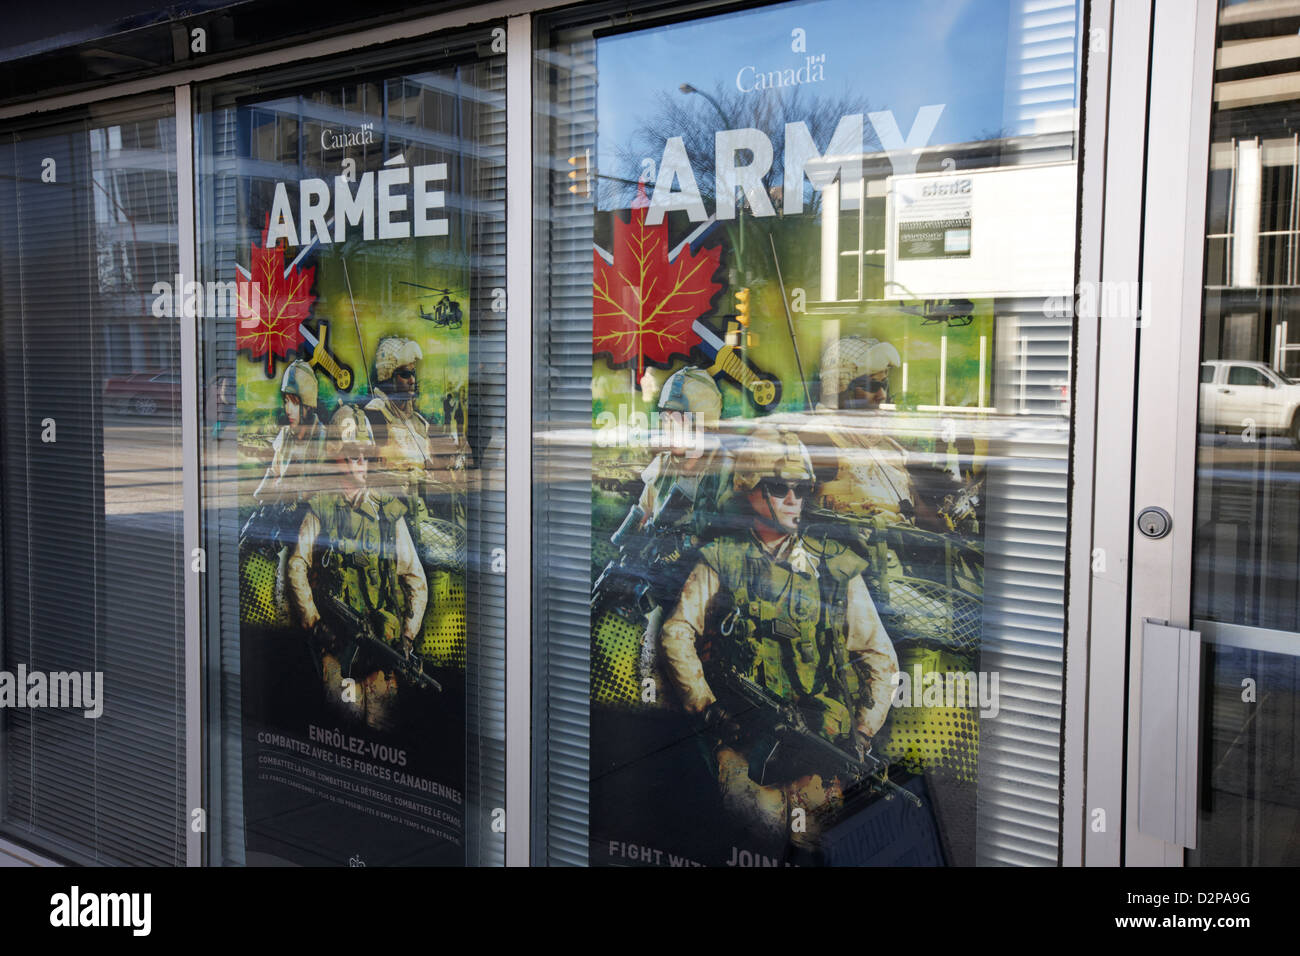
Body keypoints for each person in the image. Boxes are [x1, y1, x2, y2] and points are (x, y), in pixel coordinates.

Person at [657, 425, 898, 852]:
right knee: (757, 824)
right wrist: (708, 707)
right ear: (751, 489)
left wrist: (861, 733)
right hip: (745, 737)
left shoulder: (833, 567)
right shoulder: (723, 559)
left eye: (801, 488)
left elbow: (879, 657)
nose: (793, 500)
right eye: (779, 487)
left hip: (816, 739)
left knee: (809, 837)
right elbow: (677, 633)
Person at [286, 406, 428, 731]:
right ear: (338, 457)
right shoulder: (321, 507)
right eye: (352, 454)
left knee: (382, 727)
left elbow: (415, 579)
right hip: (336, 643)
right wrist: (314, 622)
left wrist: (407, 637)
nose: (360, 461)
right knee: (342, 723)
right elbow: (297, 565)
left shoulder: (387, 512)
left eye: (365, 453)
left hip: (381, 644)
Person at [246, 359, 328, 614]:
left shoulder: (323, 437)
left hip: (315, 512)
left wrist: (295, 491)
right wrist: (260, 503)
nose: (288, 408)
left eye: (293, 401)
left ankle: (313, 626)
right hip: (288, 507)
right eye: (285, 401)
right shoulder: (285, 437)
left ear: (306, 404)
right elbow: (274, 472)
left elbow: (323, 487)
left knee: (293, 567)